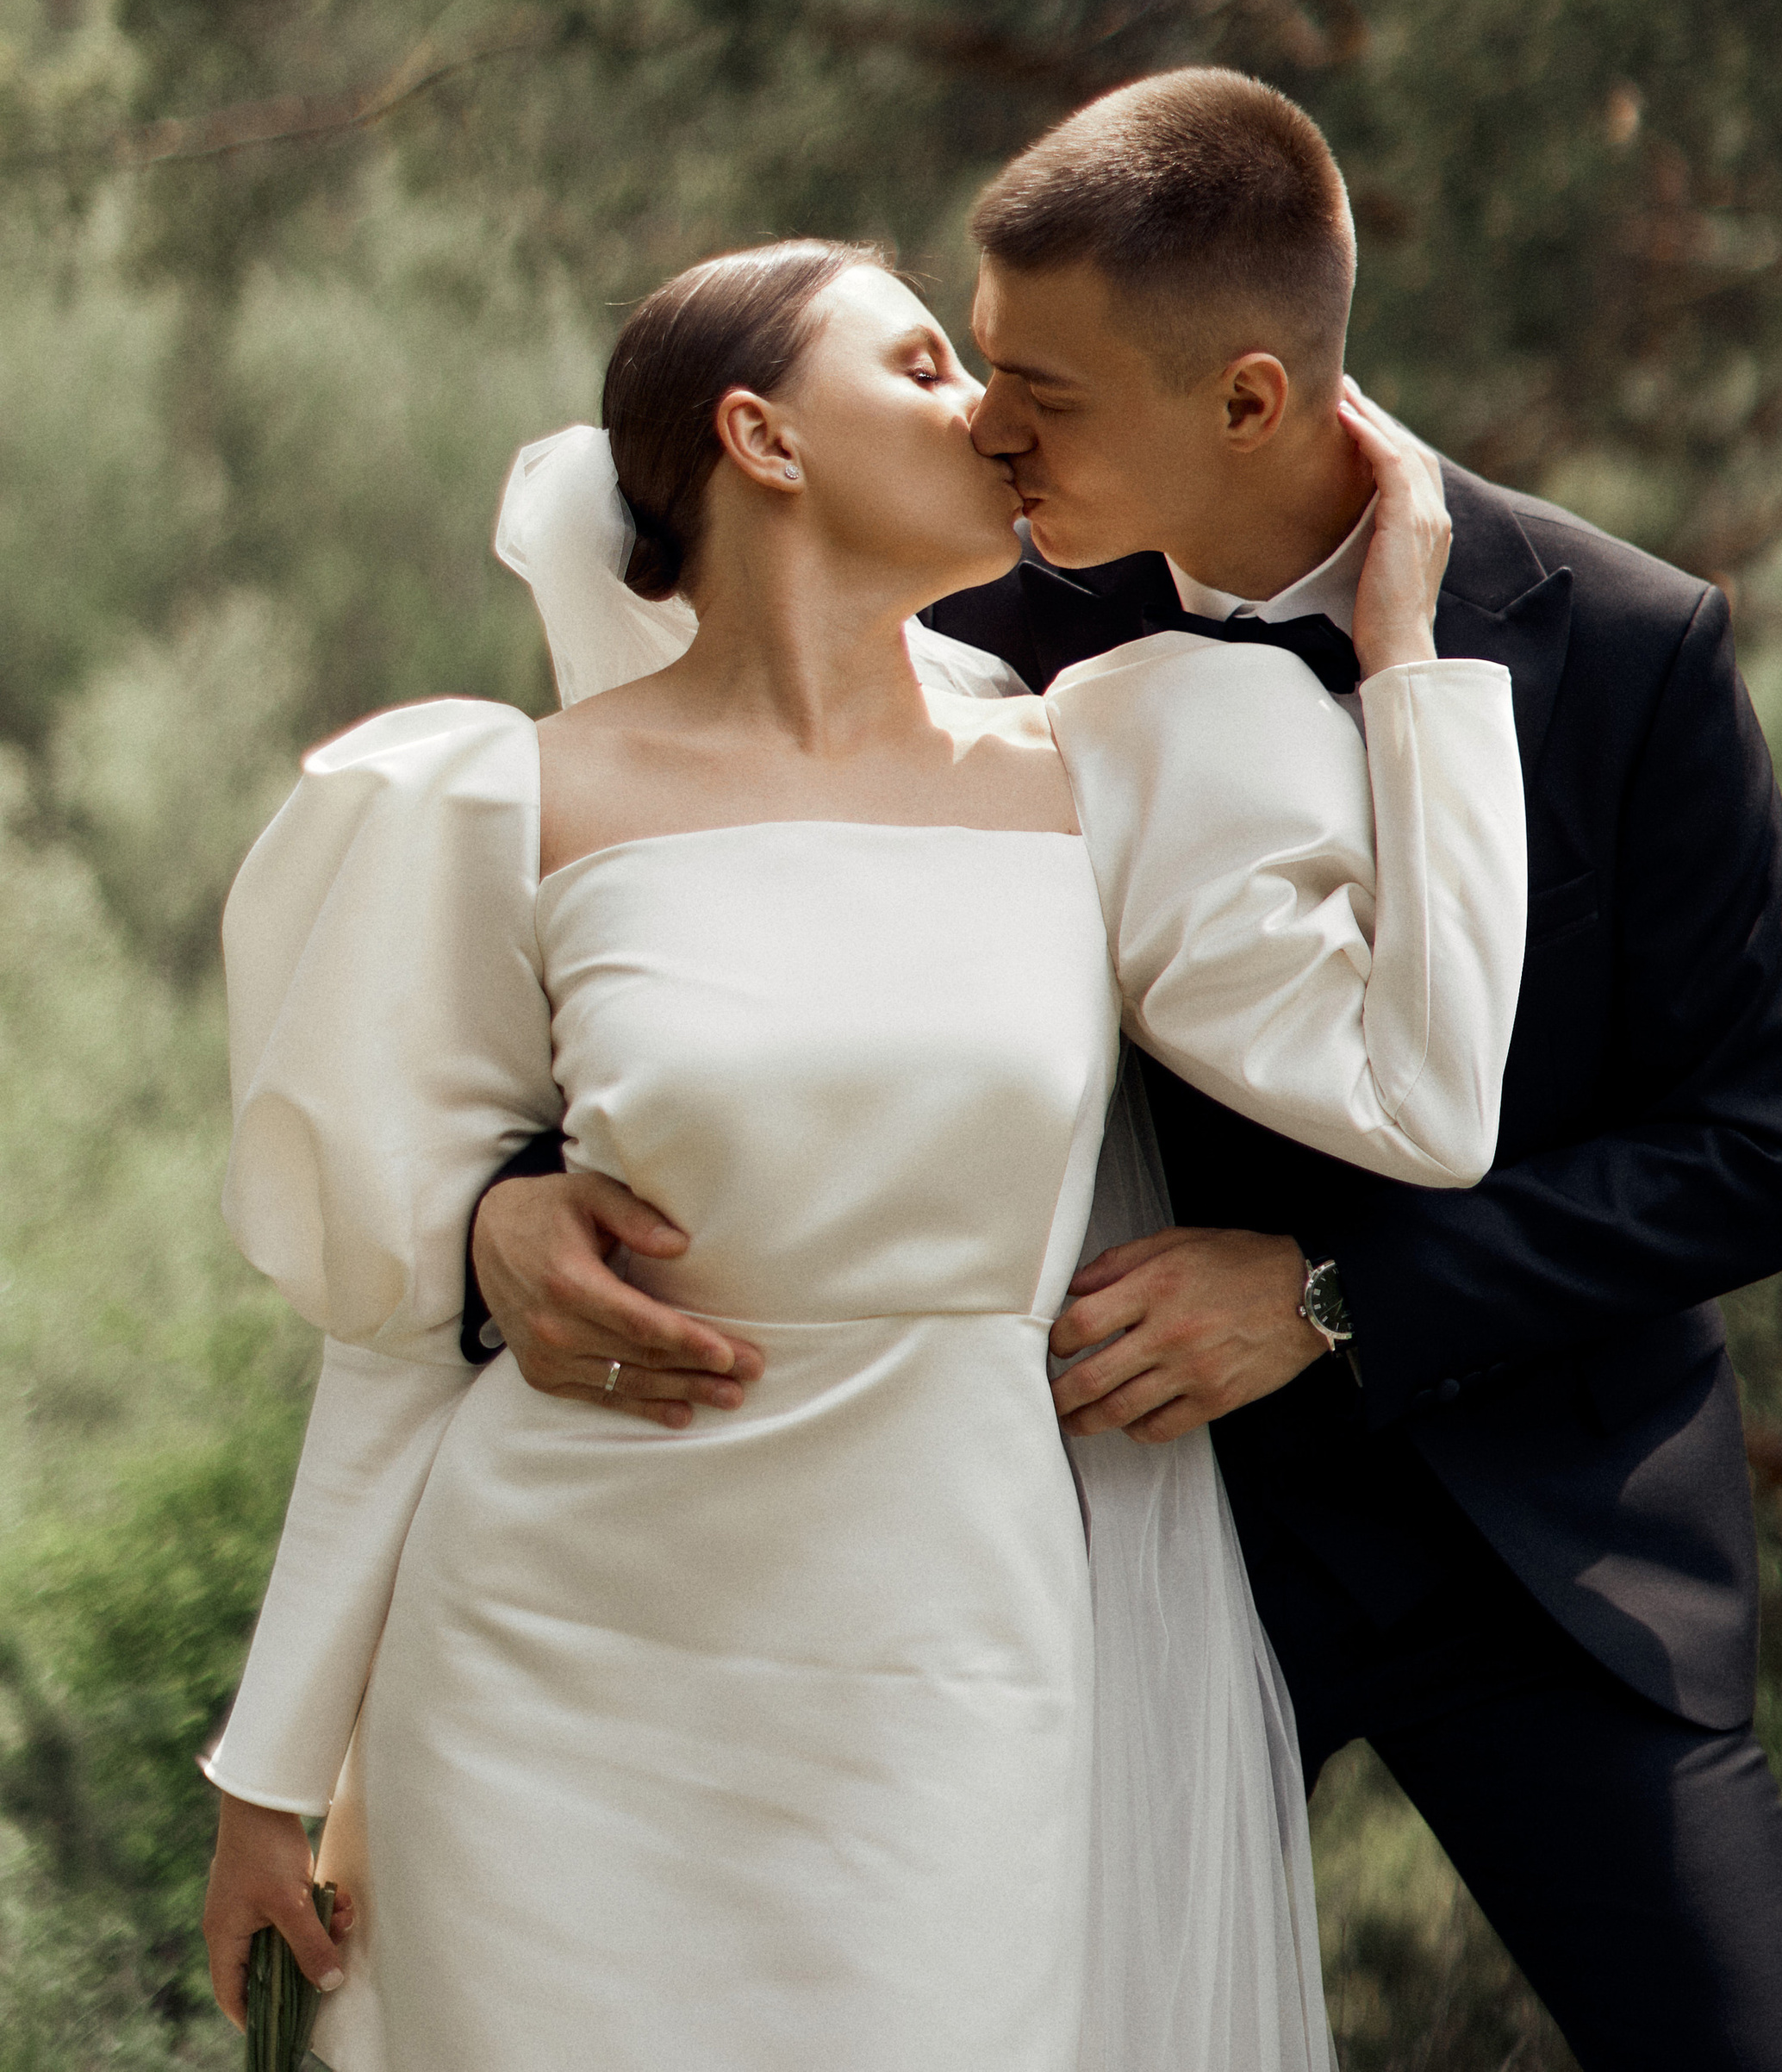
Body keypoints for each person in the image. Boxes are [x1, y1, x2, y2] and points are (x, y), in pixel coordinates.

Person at [477, 70, 1782, 2072]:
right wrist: (500, 1196)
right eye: (978, 363)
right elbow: (698, 938)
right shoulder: (983, 624)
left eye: (1040, 387)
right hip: (1130, 1522)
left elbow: (1748, 1157)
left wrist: (1324, 1299)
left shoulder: (1627, 642)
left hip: (1551, 1549)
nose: (984, 425)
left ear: (1244, 399)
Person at [198, 234, 1530, 2072]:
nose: (987, 413)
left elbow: (1425, 1100)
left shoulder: (1103, 771)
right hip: (546, 1661)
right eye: (918, 367)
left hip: (942, 1663)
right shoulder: (505, 801)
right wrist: (269, 1779)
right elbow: (400, 1324)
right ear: (759, 435)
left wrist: (1408, 664)